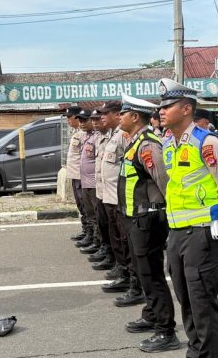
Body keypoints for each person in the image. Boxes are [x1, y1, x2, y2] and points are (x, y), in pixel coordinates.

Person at [158, 78, 218, 358]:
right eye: (161, 106)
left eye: (168, 106)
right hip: (177, 233)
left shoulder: (207, 143)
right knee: (186, 300)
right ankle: (195, 351)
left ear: (187, 109)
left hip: (203, 233)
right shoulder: (168, 144)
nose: (161, 111)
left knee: (202, 303)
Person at [118, 95, 180, 353]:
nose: (119, 117)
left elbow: (164, 182)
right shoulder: (135, 142)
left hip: (148, 219)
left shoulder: (147, 145)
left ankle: (166, 330)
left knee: (152, 275)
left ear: (135, 117)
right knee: (144, 272)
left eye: (123, 113)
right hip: (136, 217)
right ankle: (152, 314)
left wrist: (171, 216)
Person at [96, 101, 138, 301]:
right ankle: (123, 271)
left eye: (106, 114)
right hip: (109, 196)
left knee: (124, 240)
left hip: (119, 198)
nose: (102, 117)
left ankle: (131, 278)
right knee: (116, 238)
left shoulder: (123, 136)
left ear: (116, 114)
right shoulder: (113, 135)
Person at [89, 109, 115, 271]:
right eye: (94, 119)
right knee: (104, 225)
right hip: (100, 190)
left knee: (114, 230)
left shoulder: (117, 137)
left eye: (99, 118)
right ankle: (107, 252)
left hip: (111, 193)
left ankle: (114, 259)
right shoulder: (101, 137)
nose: (97, 122)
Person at [77, 109, 102, 256]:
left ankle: (99, 242)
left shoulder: (97, 137)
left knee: (97, 215)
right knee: (89, 213)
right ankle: (92, 238)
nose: (82, 123)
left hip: (94, 184)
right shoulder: (85, 137)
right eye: (80, 120)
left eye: (85, 120)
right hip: (85, 182)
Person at [65, 106, 88, 243]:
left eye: (70, 117)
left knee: (85, 205)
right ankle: (86, 230)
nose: (68, 120)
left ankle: (90, 234)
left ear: (76, 117)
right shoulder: (76, 133)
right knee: (80, 205)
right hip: (75, 175)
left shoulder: (84, 133)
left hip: (81, 176)